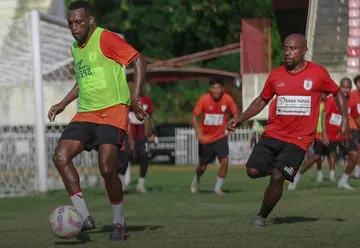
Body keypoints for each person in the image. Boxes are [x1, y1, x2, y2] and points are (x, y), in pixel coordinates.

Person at [47, 1, 147, 241]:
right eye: (70, 22)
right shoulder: (76, 48)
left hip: (112, 111)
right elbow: (82, 80)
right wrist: (62, 103)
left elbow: (139, 60)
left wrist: (135, 96)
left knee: (106, 167)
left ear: (90, 20)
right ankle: (83, 216)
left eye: (79, 21)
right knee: (60, 157)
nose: (74, 27)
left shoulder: (106, 39)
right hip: (86, 113)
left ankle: (118, 221)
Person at [226, 33, 349, 228]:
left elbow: (338, 94)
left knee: (277, 176)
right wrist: (240, 118)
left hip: (299, 139)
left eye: (293, 49)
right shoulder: (276, 74)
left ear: (304, 51)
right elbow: (262, 100)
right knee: (252, 170)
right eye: (285, 48)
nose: (288, 53)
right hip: (273, 134)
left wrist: (344, 120)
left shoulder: (318, 74)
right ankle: (279, 168)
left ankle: (262, 215)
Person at [191, 78, 238, 195]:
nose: (216, 90)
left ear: (222, 89)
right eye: (214, 88)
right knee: (202, 167)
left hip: (221, 136)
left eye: (218, 88)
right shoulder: (204, 99)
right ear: (210, 89)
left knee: (225, 161)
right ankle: (196, 178)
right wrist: (198, 131)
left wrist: (233, 124)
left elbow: (236, 114)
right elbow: (194, 117)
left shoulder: (227, 99)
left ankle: (217, 189)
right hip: (206, 139)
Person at [288, 93, 336, 190]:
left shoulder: (329, 103)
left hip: (328, 133)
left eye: (325, 93)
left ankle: (332, 174)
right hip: (317, 133)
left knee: (330, 153)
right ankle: (301, 175)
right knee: (317, 156)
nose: (324, 95)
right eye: (322, 93)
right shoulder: (314, 103)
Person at [322, 78, 360, 189]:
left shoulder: (352, 100)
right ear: (339, 87)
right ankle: (296, 177)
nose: (346, 90)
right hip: (331, 133)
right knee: (315, 156)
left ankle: (343, 181)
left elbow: (356, 117)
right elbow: (324, 116)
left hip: (346, 133)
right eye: (343, 87)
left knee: (354, 155)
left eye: (348, 87)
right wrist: (324, 133)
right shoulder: (331, 99)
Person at [118, 93, 157, 193]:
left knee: (144, 157)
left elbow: (150, 117)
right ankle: (121, 183)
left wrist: (154, 132)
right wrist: (130, 139)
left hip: (141, 136)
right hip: (128, 134)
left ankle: (140, 185)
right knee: (125, 157)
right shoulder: (127, 98)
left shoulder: (147, 100)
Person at [350, 75, 360, 178]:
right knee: (354, 150)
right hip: (354, 126)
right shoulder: (352, 95)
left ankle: (357, 172)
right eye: (359, 82)